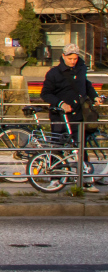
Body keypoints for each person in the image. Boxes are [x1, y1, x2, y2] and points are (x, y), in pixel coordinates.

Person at [40, 41, 102, 192]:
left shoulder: (81, 68)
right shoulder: (54, 73)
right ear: (63, 56)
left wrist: (95, 96)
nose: (73, 61)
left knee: (80, 147)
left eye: (75, 58)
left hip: (78, 115)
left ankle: (85, 179)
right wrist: (60, 104)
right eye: (70, 59)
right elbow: (45, 93)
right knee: (57, 147)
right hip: (60, 117)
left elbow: (86, 85)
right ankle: (55, 179)